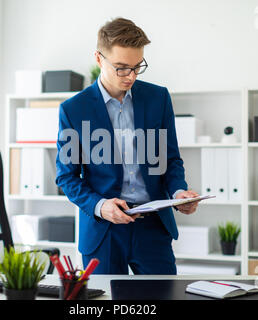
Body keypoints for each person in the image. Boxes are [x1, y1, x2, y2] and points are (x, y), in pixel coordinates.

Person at [56, 17, 199, 274]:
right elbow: (66, 177)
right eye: (121, 68)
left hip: (153, 228)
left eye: (137, 67)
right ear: (99, 59)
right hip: (104, 230)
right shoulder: (73, 109)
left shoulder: (158, 98)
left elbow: (170, 159)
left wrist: (179, 193)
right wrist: (101, 206)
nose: (130, 76)